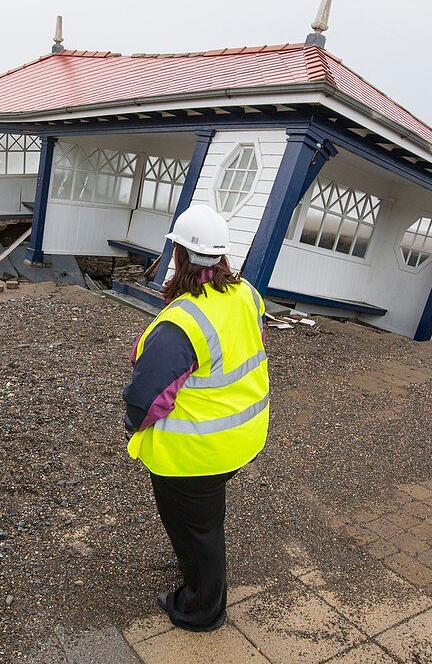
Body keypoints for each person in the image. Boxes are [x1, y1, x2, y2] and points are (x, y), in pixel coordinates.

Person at [122, 204, 269, 632]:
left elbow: (146, 400)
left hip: (195, 452)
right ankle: (198, 574)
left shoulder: (180, 322)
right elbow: (249, 348)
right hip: (242, 435)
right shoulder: (246, 294)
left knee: (197, 529)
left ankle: (202, 608)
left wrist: (133, 426)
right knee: (203, 522)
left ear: (180, 253)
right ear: (222, 255)